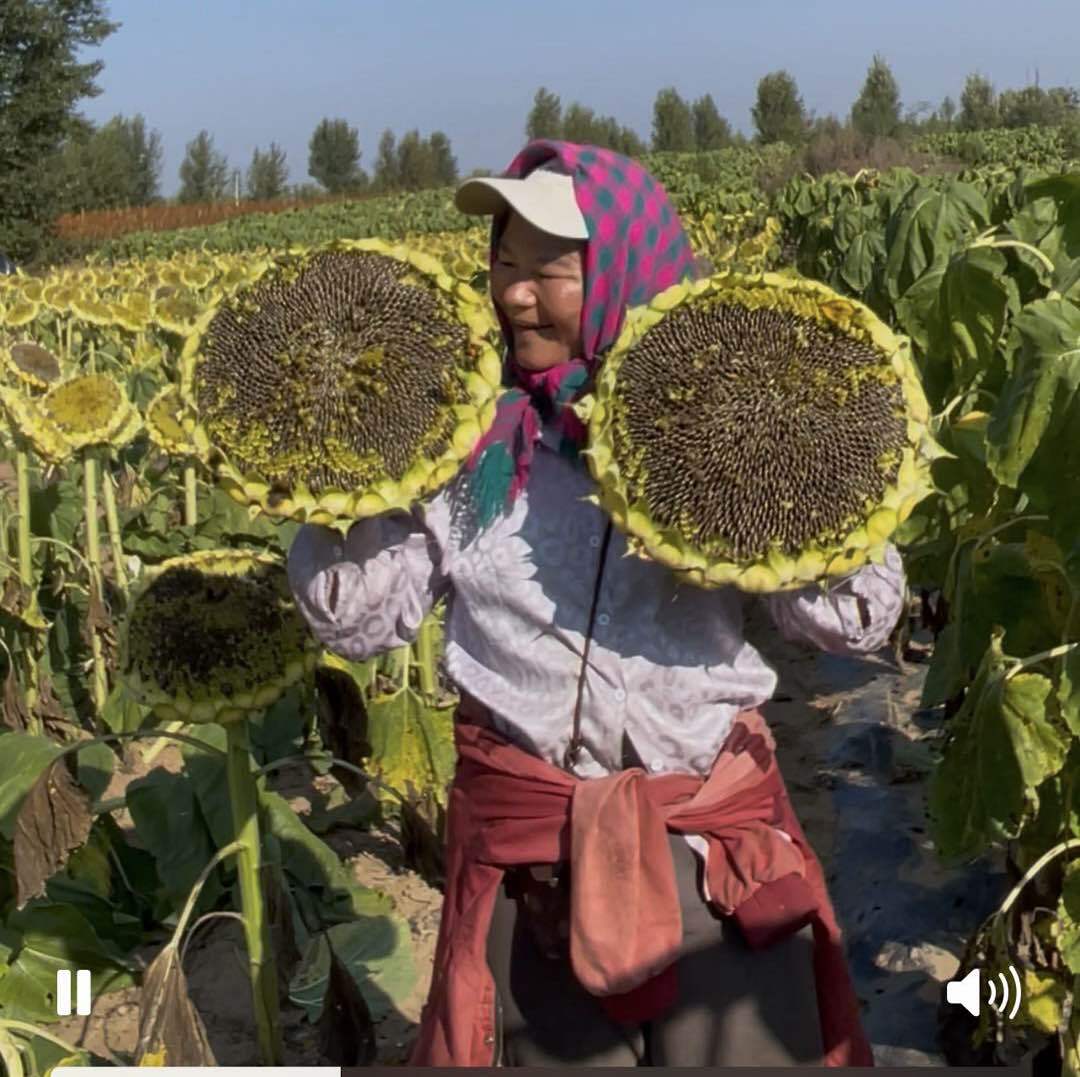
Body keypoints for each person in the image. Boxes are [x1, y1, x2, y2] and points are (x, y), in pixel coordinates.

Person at [286, 140, 907, 1067]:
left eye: (550, 273)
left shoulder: (715, 420)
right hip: (533, 862)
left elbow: (860, 622)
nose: (515, 296)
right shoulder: (463, 449)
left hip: (710, 859)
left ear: (620, 271)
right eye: (503, 265)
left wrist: (798, 489)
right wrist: (336, 482)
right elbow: (361, 620)